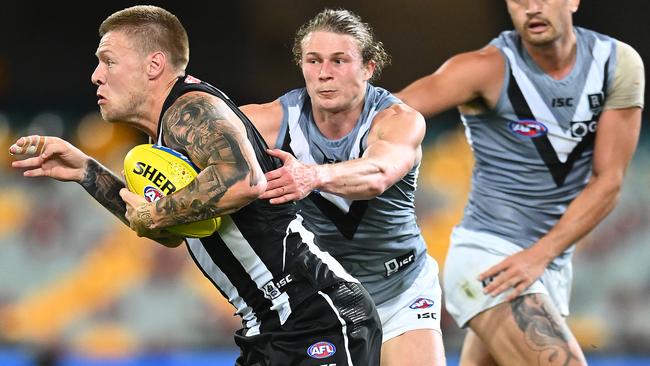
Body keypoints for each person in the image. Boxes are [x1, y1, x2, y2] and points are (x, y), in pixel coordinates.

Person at [9, 5, 382, 365]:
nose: (96, 75)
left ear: (153, 64)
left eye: (108, 60)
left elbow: (243, 180)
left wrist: (153, 212)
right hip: (270, 327)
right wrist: (86, 171)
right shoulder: (163, 139)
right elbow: (169, 230)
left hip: (317, 315)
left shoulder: (192, 109)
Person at [396, 0, 645, 365]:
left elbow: (608, 182)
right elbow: (392, 111)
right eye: (519, 0)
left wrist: (540, 257)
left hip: (545, 266)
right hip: (491, 262)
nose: (531, 8)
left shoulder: (617, 63)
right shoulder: (484, 68)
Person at [240, 9, 446, 366]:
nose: (324, 73)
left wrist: (312, 176)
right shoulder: (272, 120)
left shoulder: (399, 120)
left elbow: (378, 174)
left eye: (339, 60)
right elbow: (194, 136)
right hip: (325, 301)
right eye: (313, 60)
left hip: (400, 289)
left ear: (369, 66)